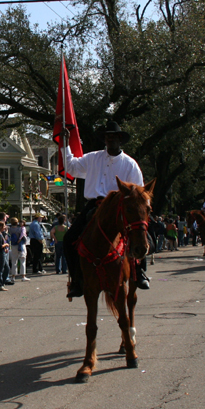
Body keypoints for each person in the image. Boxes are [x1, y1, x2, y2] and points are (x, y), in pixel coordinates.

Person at [61, 121, 148, 298]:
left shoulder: (130, 164)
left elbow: (139, 191)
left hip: (120, 205)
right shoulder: (92, 158)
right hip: (94, 204)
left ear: (120, 139)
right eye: (108, 136)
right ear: (105, 139)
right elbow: (71, 167)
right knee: (69, 238)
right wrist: (65, 145)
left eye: (114, 136)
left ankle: (139, 272)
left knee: (141, 232)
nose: (111, 139)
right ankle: (77, 281)